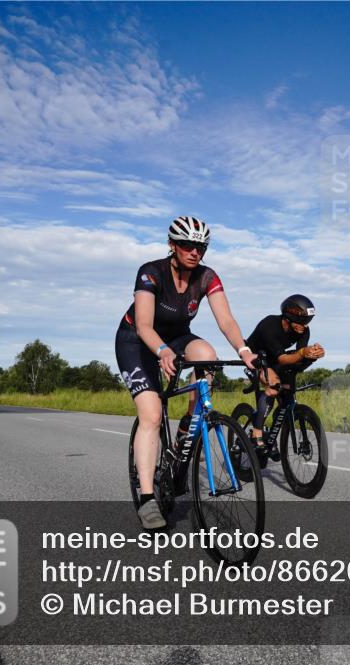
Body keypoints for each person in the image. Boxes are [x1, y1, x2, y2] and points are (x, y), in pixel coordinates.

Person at [115, 215, 256, 529]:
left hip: (178, 337)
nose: (195, 252)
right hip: (136, 340)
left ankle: (184, 437)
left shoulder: (207, 276)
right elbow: (144, 325)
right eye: (187, 245)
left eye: (200, 246)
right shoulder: (151, 272)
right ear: (172, 245)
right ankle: (148, 498)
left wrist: (244, 350)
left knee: (207, 356)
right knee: (151, 415)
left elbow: (226, 321)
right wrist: (162, 351)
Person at [245, 294, 325, 459]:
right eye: (302, 322)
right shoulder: (270, 325)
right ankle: (257, 433)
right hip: (254, 357)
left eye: (308, 322)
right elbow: (283, 358)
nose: (305, 326)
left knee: (286, 396)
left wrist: (313, 355)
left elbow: (298, 357)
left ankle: (272, 436)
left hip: (275, 359)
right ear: (288, 317)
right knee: (273, 387)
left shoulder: (303, 330)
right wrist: (303, 353)